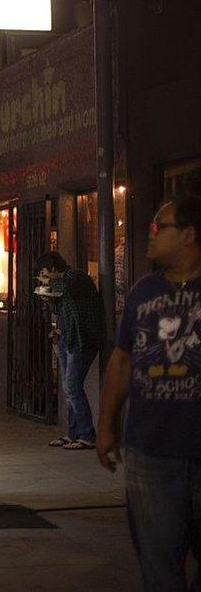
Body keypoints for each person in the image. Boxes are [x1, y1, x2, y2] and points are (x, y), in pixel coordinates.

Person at [97, 196, 201, 590]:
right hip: (152, 452)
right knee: (159, 568)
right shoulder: (143, 292)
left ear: (189, 234)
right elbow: (122, 360)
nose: (150, 234)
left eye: (161, 227)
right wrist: (105, 425)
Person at [35, 251, 104, 450]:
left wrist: (47, 286)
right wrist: (47, 298)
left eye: (44, 271)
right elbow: (59, 307)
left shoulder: (76, 276)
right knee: (68, 388)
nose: (43, 275)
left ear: (54, 268)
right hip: (66, 337)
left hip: (82, 338)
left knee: (73, 386)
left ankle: (87, 434)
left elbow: (66, 287)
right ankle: (74, 433)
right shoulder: (61, 285)